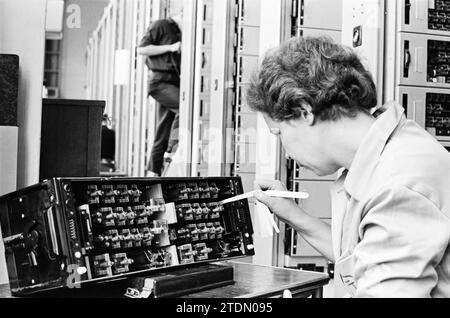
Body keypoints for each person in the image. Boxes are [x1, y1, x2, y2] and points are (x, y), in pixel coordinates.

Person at [247, 36, 450, 298]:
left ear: (303, 110)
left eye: (279, 133)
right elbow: (364, 260)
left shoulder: (396, 187)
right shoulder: (394, 149)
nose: (285, 151)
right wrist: (292, 215)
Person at [137, 12, 183, 176]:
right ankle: (171, 149)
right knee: (184, 108)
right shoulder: (161, 25)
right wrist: (170, 47)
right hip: (160, 83)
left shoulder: (178, 32)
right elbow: (142, 48)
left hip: (172, 83)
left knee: (161, 132)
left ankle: (152, 173)